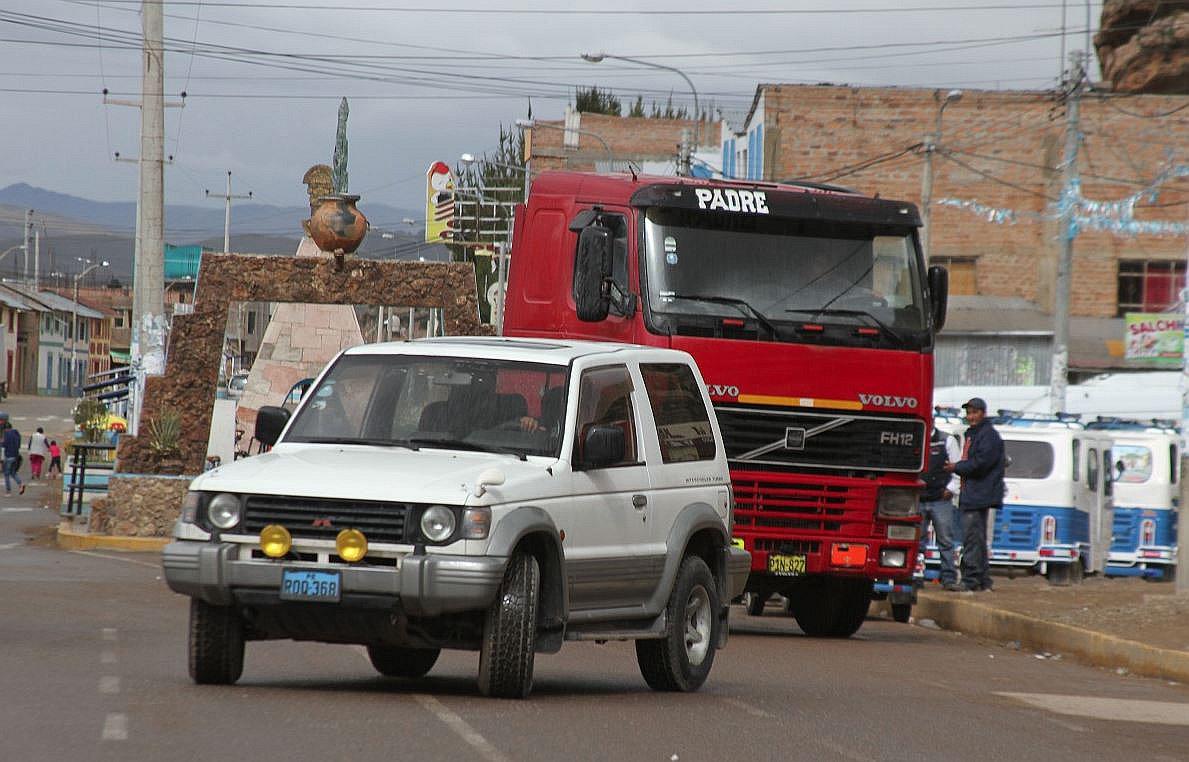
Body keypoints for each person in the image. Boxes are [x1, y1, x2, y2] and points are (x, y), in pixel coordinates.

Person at [943, 397, 1005, 593]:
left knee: (972, 539)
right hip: (972, 493)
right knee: (976, 538)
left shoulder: (988, 436)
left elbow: (980, 463)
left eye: (974, 413)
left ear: (983, 413)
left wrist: (956, 467)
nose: (971, 417)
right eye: (968, 413)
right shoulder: (974, 433)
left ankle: (970, 579)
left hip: (979, 494)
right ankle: (982, 580)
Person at [920, 424, 961, 588]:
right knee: (917, 541)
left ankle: (949, 578)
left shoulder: (947, 440)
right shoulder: (916, 438)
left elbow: (958, 468)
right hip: (919, 498)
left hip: (941, 499)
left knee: (945, 541)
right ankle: (915, 576)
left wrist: (950, 490)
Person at [3, 420, 25, 496]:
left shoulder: (6, 434)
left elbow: (4, 444)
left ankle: (8, 491)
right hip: (15, 456)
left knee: (6, 474)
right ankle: (21, 484)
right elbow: (18, 444)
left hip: (8, 456)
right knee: (13, 472)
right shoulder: (16, 434)